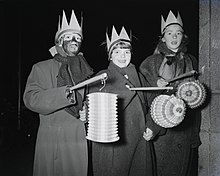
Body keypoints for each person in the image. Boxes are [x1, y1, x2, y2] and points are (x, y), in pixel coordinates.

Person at [23, 10, 94, 176]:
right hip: (52, 139)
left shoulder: (86, 71)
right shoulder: (41, 67)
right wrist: (65, 94)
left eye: (78, 37)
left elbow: (89, 101)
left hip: (77, 140)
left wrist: (87, 112)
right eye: (68, 36)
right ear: (59, 40)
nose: (74, 40)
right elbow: (31, 99)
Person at [139, 11, 201, 176]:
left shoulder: (191, 61)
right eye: (169, 33)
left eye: (178, 33)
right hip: (162, 133)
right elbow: (144, 100)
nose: (174, 37)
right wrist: (157, 85)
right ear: (163, 38)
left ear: (183, 36)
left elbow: (196, 101)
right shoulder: (150, 63)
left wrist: (194, 134)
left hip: (185, 132)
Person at [88, 26, 156, 176]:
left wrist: (152, 127)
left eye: (127, 51)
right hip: (113, 145)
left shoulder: (139, 77)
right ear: (110, 55)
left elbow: (153, 104)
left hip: (140, 141)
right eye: (117, 51)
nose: (122, 56)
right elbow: (95, 109)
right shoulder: (102, 76)